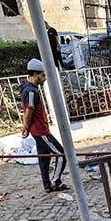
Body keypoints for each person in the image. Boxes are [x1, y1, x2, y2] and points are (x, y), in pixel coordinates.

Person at [21, 58, 67, 193]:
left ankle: (47, 185)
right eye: (42, 75)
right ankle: (55, 182)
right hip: (41, 131)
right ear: (34, 74)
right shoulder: (30, 91)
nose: (45, 78)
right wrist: (26, 128)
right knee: (61, 154)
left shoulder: (29, 88)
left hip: (38, 130)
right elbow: (28, 111)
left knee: (44, 158)